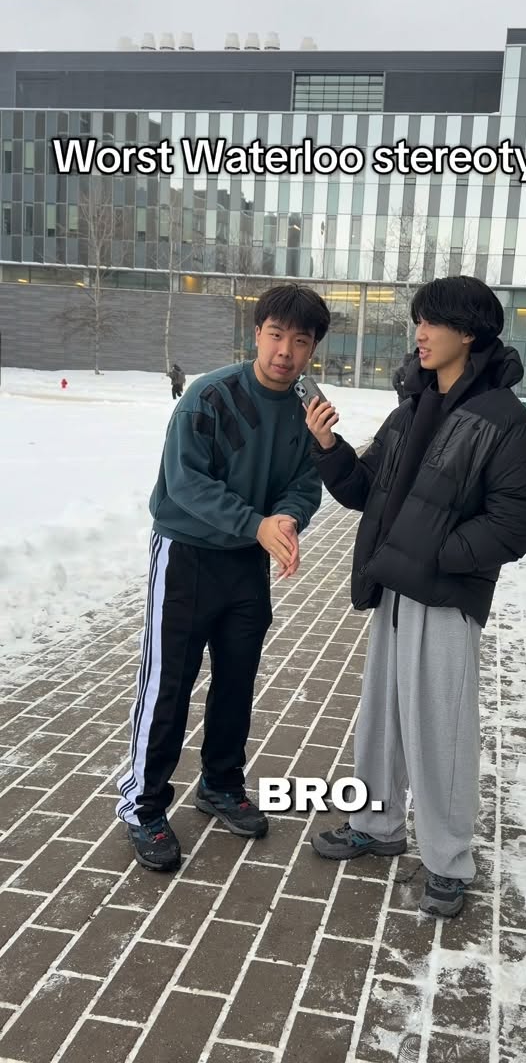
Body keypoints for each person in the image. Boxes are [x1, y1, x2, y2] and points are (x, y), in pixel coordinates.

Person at [304, 275, 526, 919]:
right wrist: (328, 446)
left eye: (432, 321)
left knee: (440, 730)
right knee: (381, 717)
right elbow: (364, 490)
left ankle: (447, 859)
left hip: (442, 597)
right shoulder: (411, 408)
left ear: (467, 333)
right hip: (392, 588)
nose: (420, 333)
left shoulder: (504, 421)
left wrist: (436, 554)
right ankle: (377, 825)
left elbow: (515, 522)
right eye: (419, 320)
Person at [116, 283, 331, 871]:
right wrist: (257, 524)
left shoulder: (305, 410)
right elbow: (185, 482)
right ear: (256, 333)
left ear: (312, 349)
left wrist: (286, 520)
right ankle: (142, 804)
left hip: (246, 562)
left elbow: (305, 482)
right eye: (276, 335)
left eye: (301, 341)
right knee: (168, 683)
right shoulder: (210, 396)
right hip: (187, 554)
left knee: (237, 678)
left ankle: (220, 783)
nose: (286, 351)